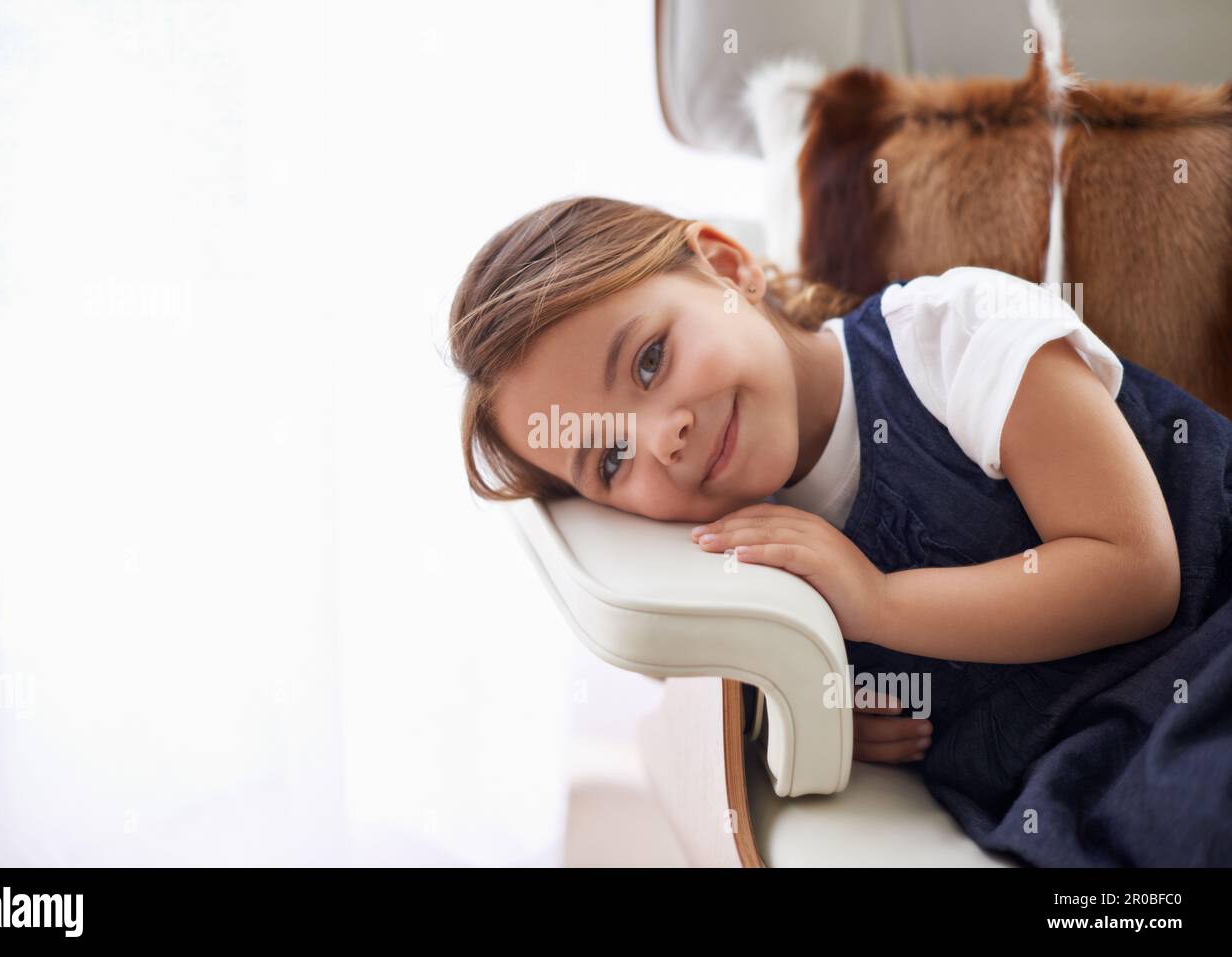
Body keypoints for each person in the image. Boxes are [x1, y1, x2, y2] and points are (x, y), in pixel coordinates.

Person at [446, 195, 1232, 866]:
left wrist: (879, 604)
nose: (664, 437)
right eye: (612, 454)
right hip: (1086, 763)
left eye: (650, 361)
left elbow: (1137, 572)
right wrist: (816, 700)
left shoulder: (948, 335)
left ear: (726, 269)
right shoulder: (746, 556)